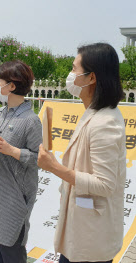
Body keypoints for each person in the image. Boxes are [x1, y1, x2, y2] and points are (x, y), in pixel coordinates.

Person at [38, 43, 126, 263]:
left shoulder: (104, 123)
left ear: (91, 78)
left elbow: (105, 184)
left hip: (91, 239)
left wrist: (54, 167)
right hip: (81, 229)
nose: (71, 75)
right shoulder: (92, 112)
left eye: (75, 69)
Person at [0, 60, 42, 263]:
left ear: (11, 86)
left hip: (13, 200)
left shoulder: (31, 121)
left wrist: (12, 150)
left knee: (11, 251)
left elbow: (38, 160)